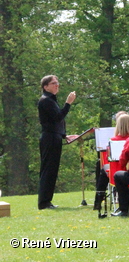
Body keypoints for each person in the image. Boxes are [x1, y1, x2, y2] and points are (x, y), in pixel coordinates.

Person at [37, 75, 77, 210]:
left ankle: (47, 201)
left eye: (57, 83)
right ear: (45, 87)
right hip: (49, 139)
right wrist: (68, 103)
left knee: (52, 170)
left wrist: (64, 135)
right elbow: (58, 116)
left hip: (53, 137)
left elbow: (54, 122)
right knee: (48, 170)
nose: (57, 85)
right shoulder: (46, 100)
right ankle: (44, 202)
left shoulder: (51, 100)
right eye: (53, 83)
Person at [93, 114, 129, 209]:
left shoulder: (113, 140)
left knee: (104, 168)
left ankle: (98, 202)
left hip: (117, 171)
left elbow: (109, 157)